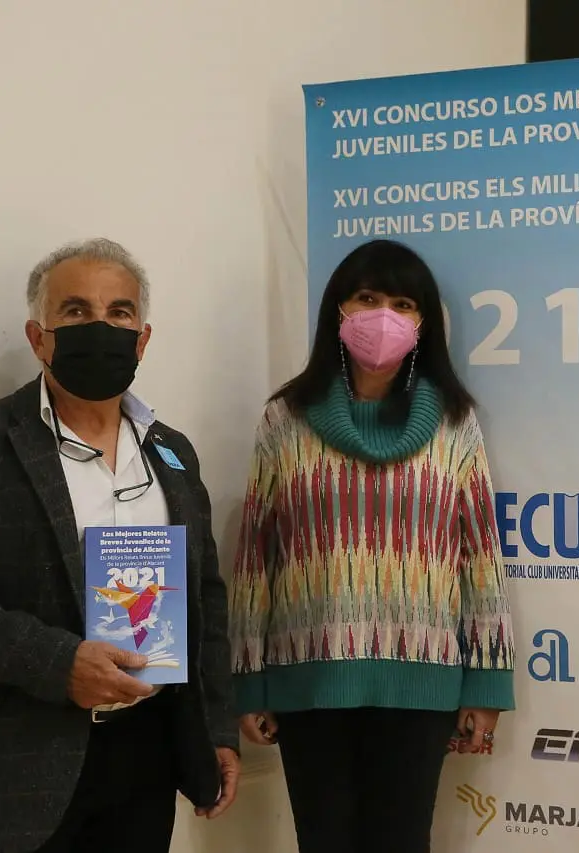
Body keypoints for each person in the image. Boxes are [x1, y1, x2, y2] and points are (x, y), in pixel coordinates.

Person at [0, 238, 240, 853]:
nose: (100, 327)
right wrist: (58, 664)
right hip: (15, 766)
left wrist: (216, 728)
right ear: (38, 337)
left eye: (119, 312)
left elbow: (204, 594)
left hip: (146, 757)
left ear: (142, 338)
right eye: (75, 310)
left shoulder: (172, 451)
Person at [229, 239, 515, 853]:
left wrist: (486, 683)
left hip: (422, 681)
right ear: (338, 309)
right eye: (367, 297)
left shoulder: (454, 424)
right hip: (310, 681)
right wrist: (249, 680)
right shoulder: (285, 419)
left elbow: (480, 558)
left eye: (403, 303)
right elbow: (257, 558)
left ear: (423, 322)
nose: (383, 315)